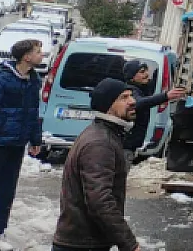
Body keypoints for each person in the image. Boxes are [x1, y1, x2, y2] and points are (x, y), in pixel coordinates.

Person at [0, 39, 44, 251]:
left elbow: (33, 113)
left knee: (7, 192)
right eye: (38, 52)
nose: (42, 55)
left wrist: (35, 139)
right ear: (26, 57)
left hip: (16, 145)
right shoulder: (0, 80)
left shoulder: (34, 80)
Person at [53, 78, 139, 251]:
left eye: (131, 96)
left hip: (84, 242)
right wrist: (129, 244)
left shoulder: (103, 134)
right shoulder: (100, 143)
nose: (132, 101)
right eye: (123, 97)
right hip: (82, 244)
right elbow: (99, 200)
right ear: (108, 105)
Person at [121, 61, 187, 163]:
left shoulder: (142, 88)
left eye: (147, 70)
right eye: (142, 72)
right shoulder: (131, 91)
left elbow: (156, 80)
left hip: (132, 145)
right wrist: (166, 96)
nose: (147, 74)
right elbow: (139, 103)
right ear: (132, 77)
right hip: (126, 147)